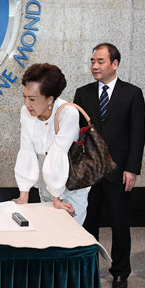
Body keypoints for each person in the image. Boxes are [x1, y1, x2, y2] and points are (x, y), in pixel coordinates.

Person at [73, 43, 145, 288]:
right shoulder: (82, 93)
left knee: (119, 223)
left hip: (119, 171)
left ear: (114, 64)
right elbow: (76, 134)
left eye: (101, 61)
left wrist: (132, 169)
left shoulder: (132, 94)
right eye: (93, 60)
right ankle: (88, 267)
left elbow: (138, 134)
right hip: (89, 172)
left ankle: (120, 272)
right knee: (87, 221)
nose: (95, 65)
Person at [13, 63, 91, 223]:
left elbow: (58, 153)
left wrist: (57, 198)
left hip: (71, 182)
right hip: (46, 181)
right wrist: (24, 194)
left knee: (71, 232)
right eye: (24, 97)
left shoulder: (68, 113)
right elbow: (26, 150)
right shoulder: (26, 112)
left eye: (32, 99)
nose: (27, 104)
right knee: (49, 228)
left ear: (50, 99)